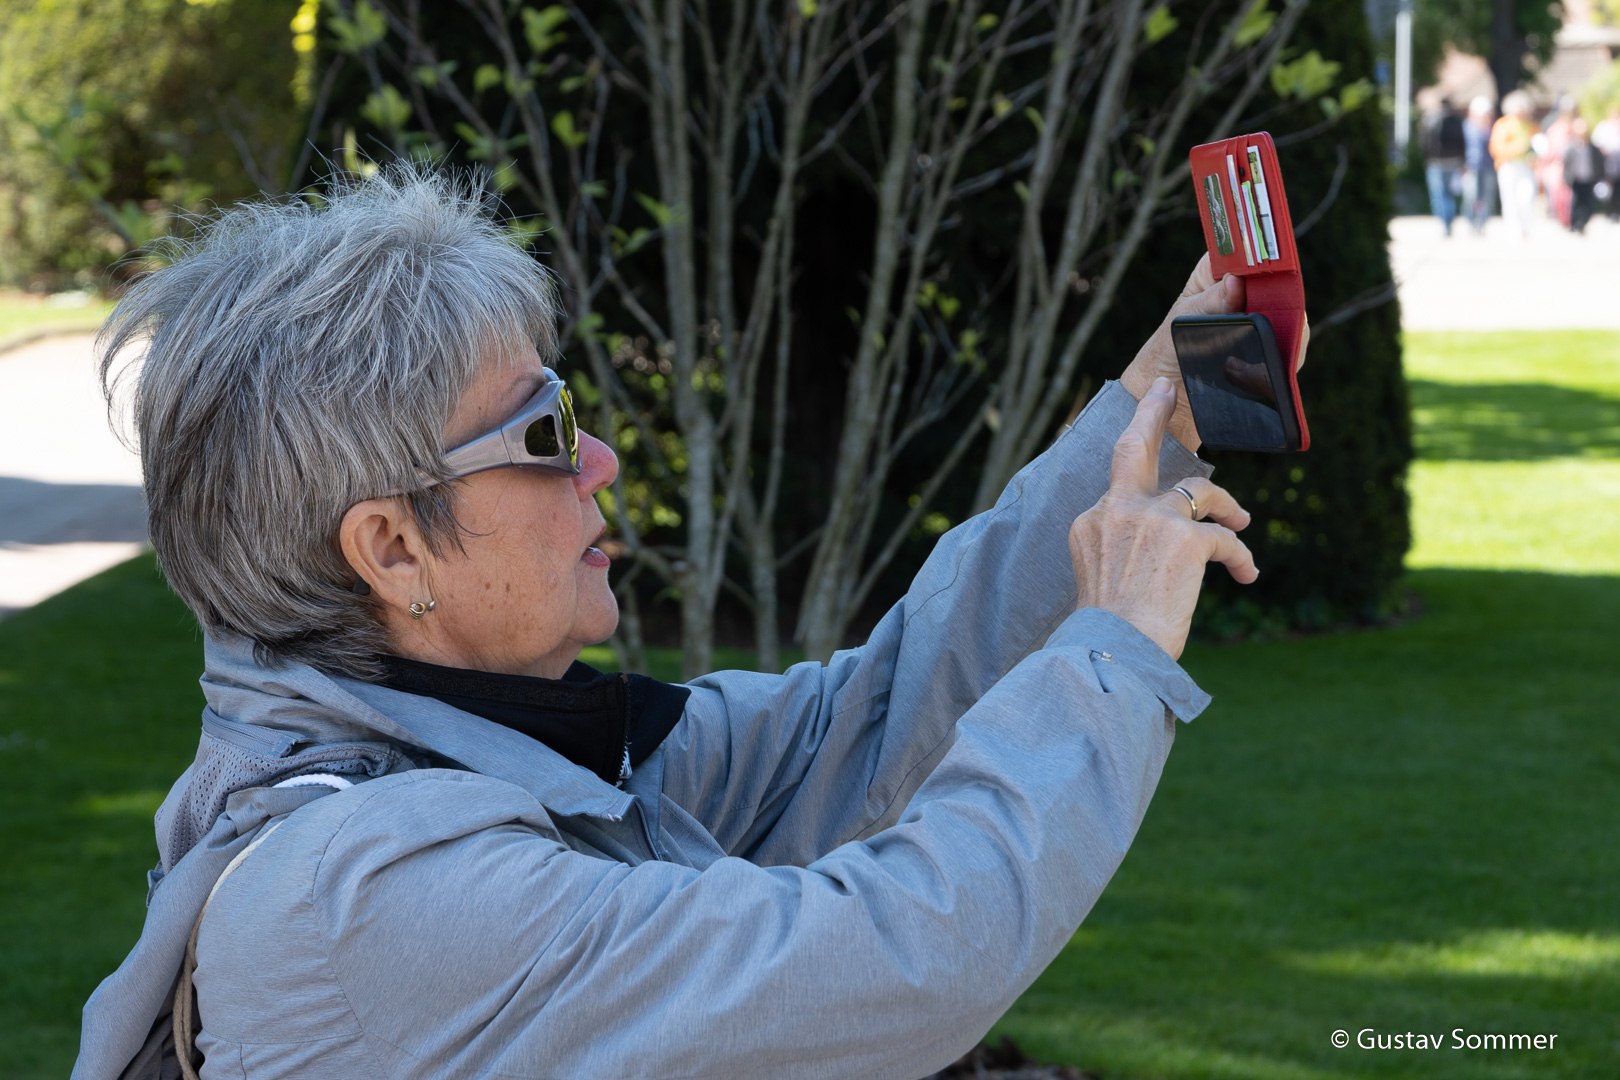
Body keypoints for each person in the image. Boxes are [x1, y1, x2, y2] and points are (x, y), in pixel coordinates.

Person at [74, 167, 1281, 1080]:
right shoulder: (370, 898)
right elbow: (901, 962)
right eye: (540, 435)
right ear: (391, 549)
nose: (597, 457)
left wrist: (1157, 399)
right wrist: (1111, 653)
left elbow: (871, 722)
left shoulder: (516, 755)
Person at [1491, 91, 1539, 241]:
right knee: (1510, 199)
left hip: (1526, 165)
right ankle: (1512, 229)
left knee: (1527, 196)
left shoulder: (1529, 125)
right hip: (1508, 165)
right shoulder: (1503, 125)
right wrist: (1519, 146)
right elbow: (1497, 148)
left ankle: (1525, 227)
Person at [1421, 100, 1467, 236]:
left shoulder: (1430, 121)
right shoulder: (1457, 122)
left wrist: (1427, 160)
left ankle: (1445, 222)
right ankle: (1448, 222)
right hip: (1453, 162)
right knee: (1448, 194)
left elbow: (1425, 143)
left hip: (1436, 163)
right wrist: (1462, 161)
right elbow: (1463, 143)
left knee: (1438, 195)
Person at [1461, 96, 1497, 234]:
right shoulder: (1466, 127)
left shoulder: (1491, 127)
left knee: (1487, 196)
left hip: (1488, 167)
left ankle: (1482, 223)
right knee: (1471, 196)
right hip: (1470, 167)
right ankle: (1471, 221)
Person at [1562, 118, 1603, 235]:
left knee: (1588, 202)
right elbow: (1567, 164)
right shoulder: (1571, 147)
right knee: (1576, 202)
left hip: (1589, 178)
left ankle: (1583, 222)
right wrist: (1566, 178)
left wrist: (1601, 176)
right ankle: (1576, 224)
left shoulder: (1592, 147)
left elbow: (1599, 162)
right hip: (1576, 179)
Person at [1591, 104, 1620, 220]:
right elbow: (1596, 143)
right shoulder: (1604, 126)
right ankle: (1610, 211)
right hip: (1607, 162)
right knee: (1609, 186)